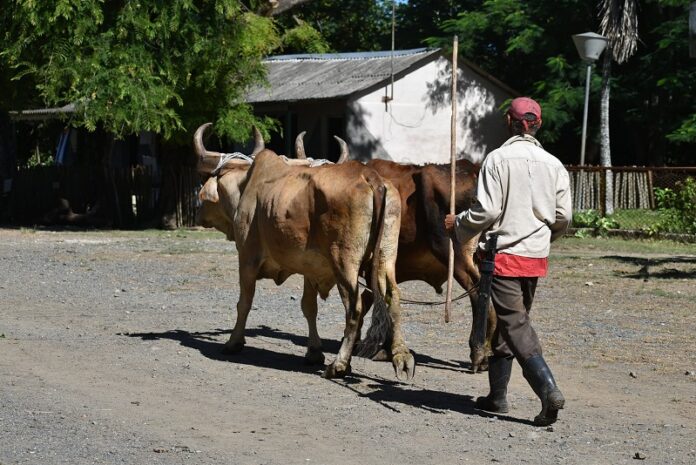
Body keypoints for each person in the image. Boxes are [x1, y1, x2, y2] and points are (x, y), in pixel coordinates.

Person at [444, 97, 572, 426]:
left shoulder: (498, 159)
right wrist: (543, 239)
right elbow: (564, 217)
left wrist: (457, 225)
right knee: (509, 323)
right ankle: (497, 397)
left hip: (503, 256)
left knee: (515, 324)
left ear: (508, 122)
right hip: (535, 256)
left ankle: (548, 390)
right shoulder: (554, 164)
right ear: (538, 124)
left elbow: (486, 211)